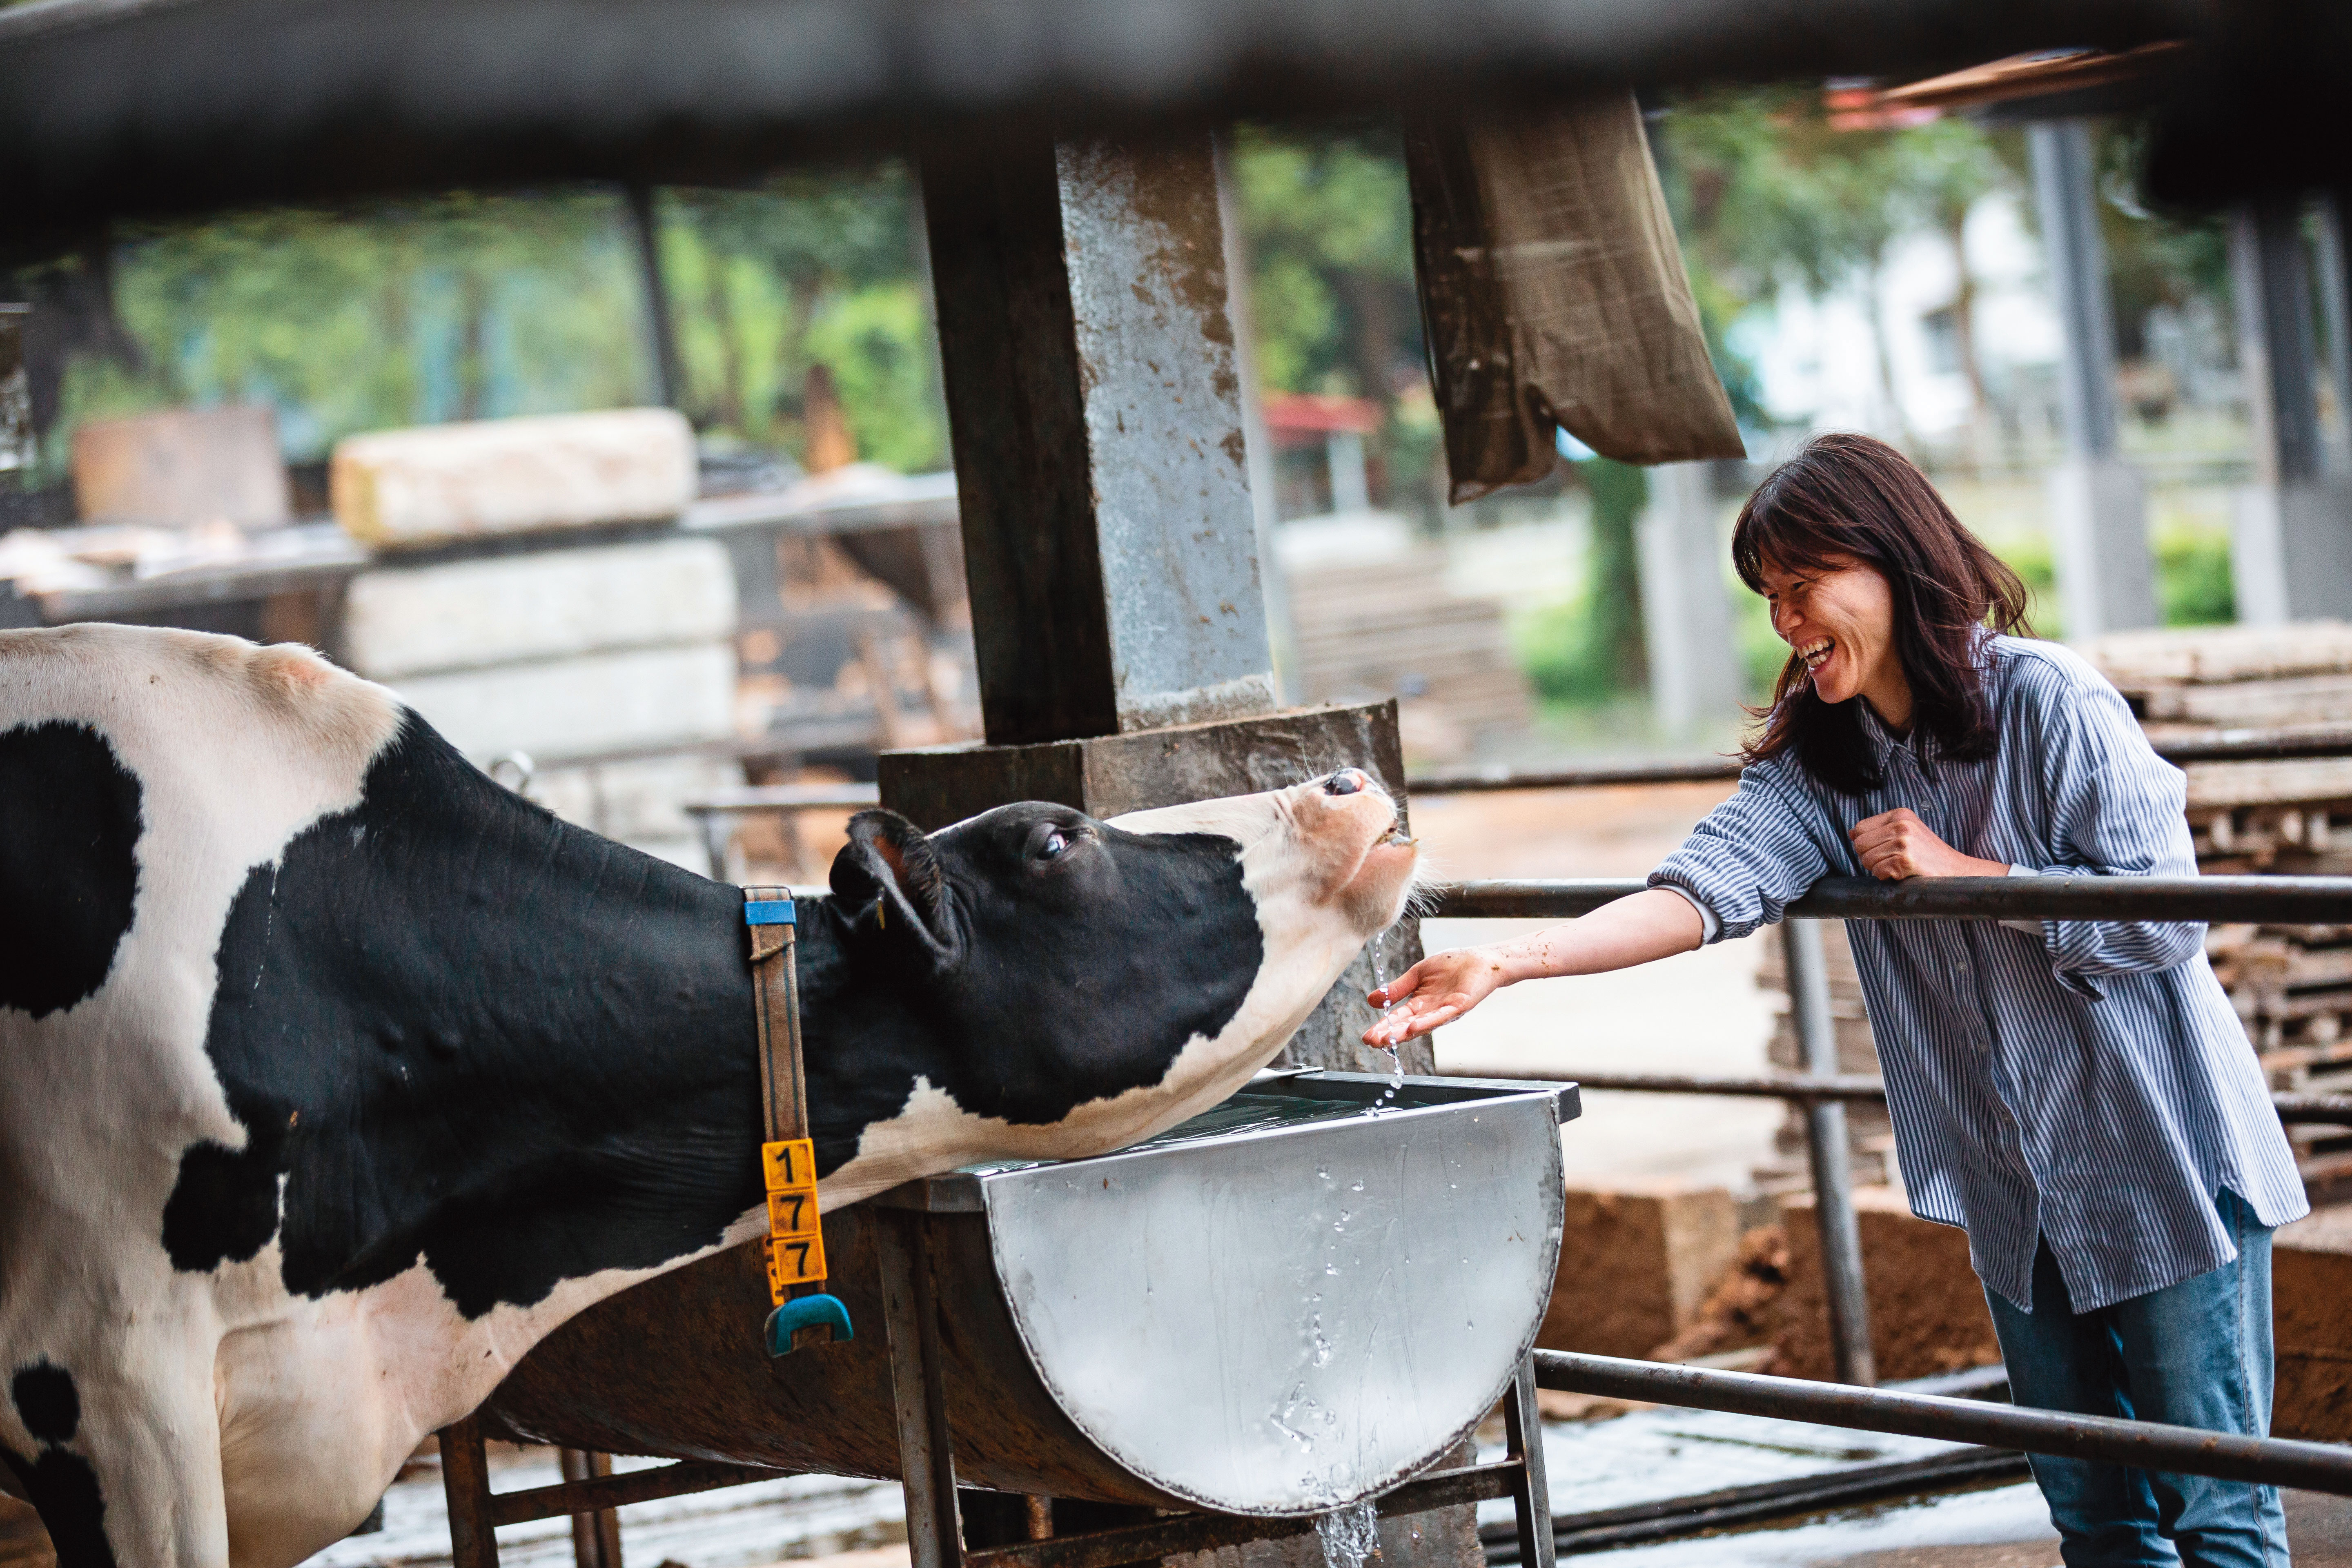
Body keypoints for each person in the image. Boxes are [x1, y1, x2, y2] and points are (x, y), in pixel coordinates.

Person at [1367, 432, 2307, 1568]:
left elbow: (2166, 918)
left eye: (1804, 587)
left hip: (2161, 1164)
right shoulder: (1826, 761)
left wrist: (1963, 875)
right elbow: (1703, 886)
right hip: (2020, 1187)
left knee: (2221, 1514)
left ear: (1890, 565)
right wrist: (1510, 964)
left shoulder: (2052, 701)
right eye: (1769, 598)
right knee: (2097, 1520)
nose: (1786, 624)